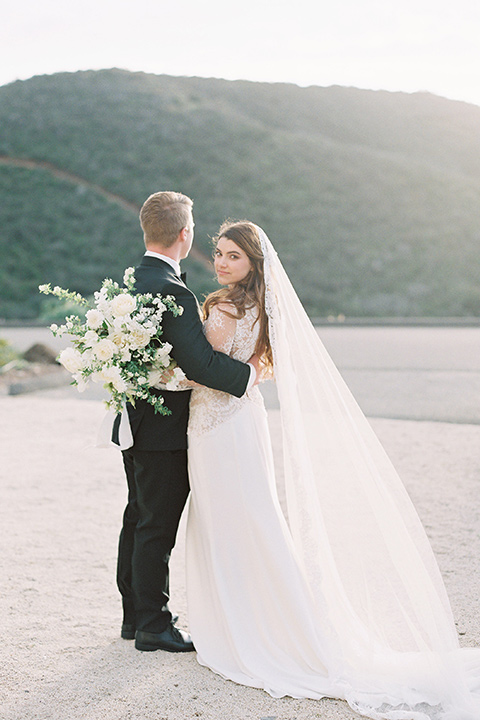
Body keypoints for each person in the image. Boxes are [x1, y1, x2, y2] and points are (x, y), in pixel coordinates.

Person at [182, 220, 480, 720]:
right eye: (219, 253)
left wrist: (154, 369)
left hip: (217, 424)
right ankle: (269, 615)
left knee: (234, 517)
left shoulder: (223, 306)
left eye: (234, 256)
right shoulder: (263, 307)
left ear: (254, 261)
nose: (222, 262)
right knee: (251, 513)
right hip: (242, 418)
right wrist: (251, 371)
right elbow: (266, 363)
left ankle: (251, 627)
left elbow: (202, 366)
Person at [113, 193, 258, 653]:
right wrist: (252, 374)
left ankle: (134, 616)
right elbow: (200, 364)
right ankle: (153, 625)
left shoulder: (133, 281)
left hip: (134, 419)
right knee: (156, 525)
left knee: (138, 517)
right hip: (164, 428)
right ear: (185, 233)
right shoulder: (172, 290)